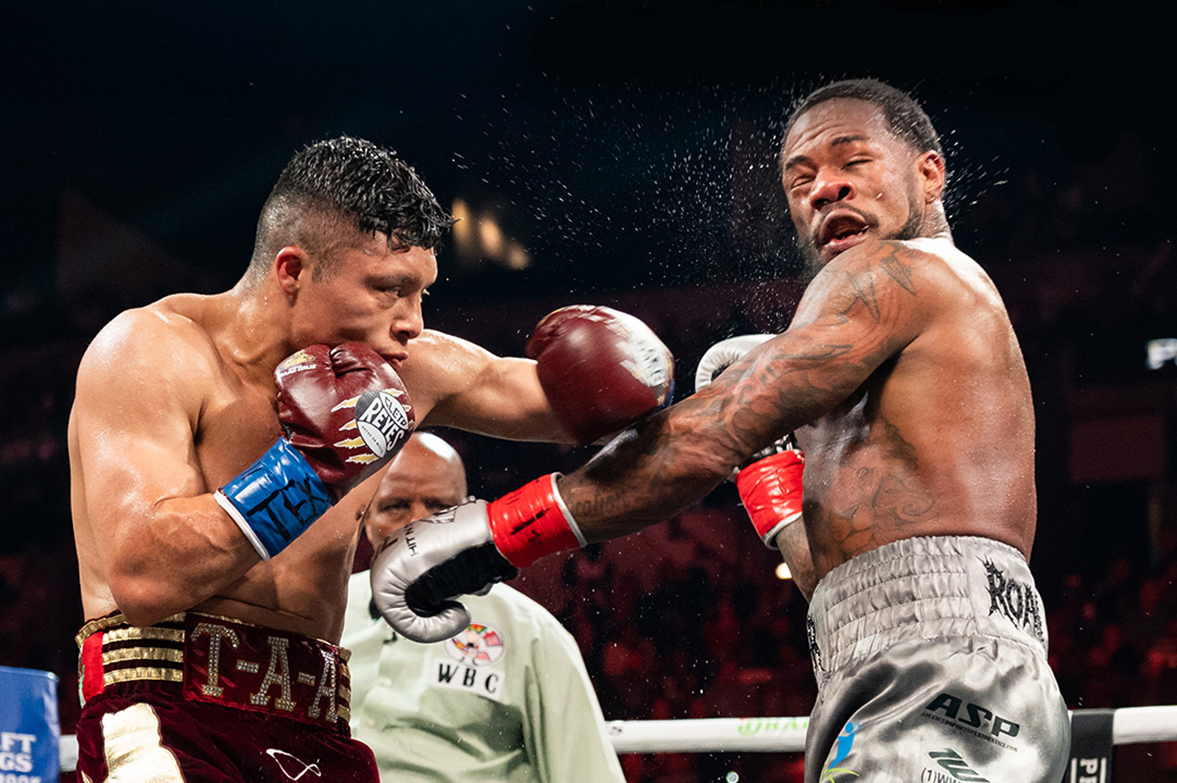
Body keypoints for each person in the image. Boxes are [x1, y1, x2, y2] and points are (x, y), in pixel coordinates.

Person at [372, 79, 1072, 783]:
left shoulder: (894, 271)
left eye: (851, 161)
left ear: (929, 172)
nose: (823, 189)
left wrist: (498, 532)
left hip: (944, 678)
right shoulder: (904, 332)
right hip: (913, 666)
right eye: (800, 179)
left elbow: (710, 434)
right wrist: (775, 492)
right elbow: (838, 580)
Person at [68, 136, 670, 781]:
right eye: (389, 289)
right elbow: (145, 579)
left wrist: (656, 375)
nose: (412, 322)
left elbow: (587, 407)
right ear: (292, 271)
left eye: (422, 294)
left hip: (321, 726)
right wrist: (312, 469)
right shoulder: (152, 351)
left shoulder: (410, 368)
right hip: (167, 712)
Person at [341, 431, 626, 783]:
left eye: (440, 508)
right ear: (364, 517)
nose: (417, 524)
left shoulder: (531, 632)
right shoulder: (325, 617)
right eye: (396, 505)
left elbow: (586, 774)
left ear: (467, 517)